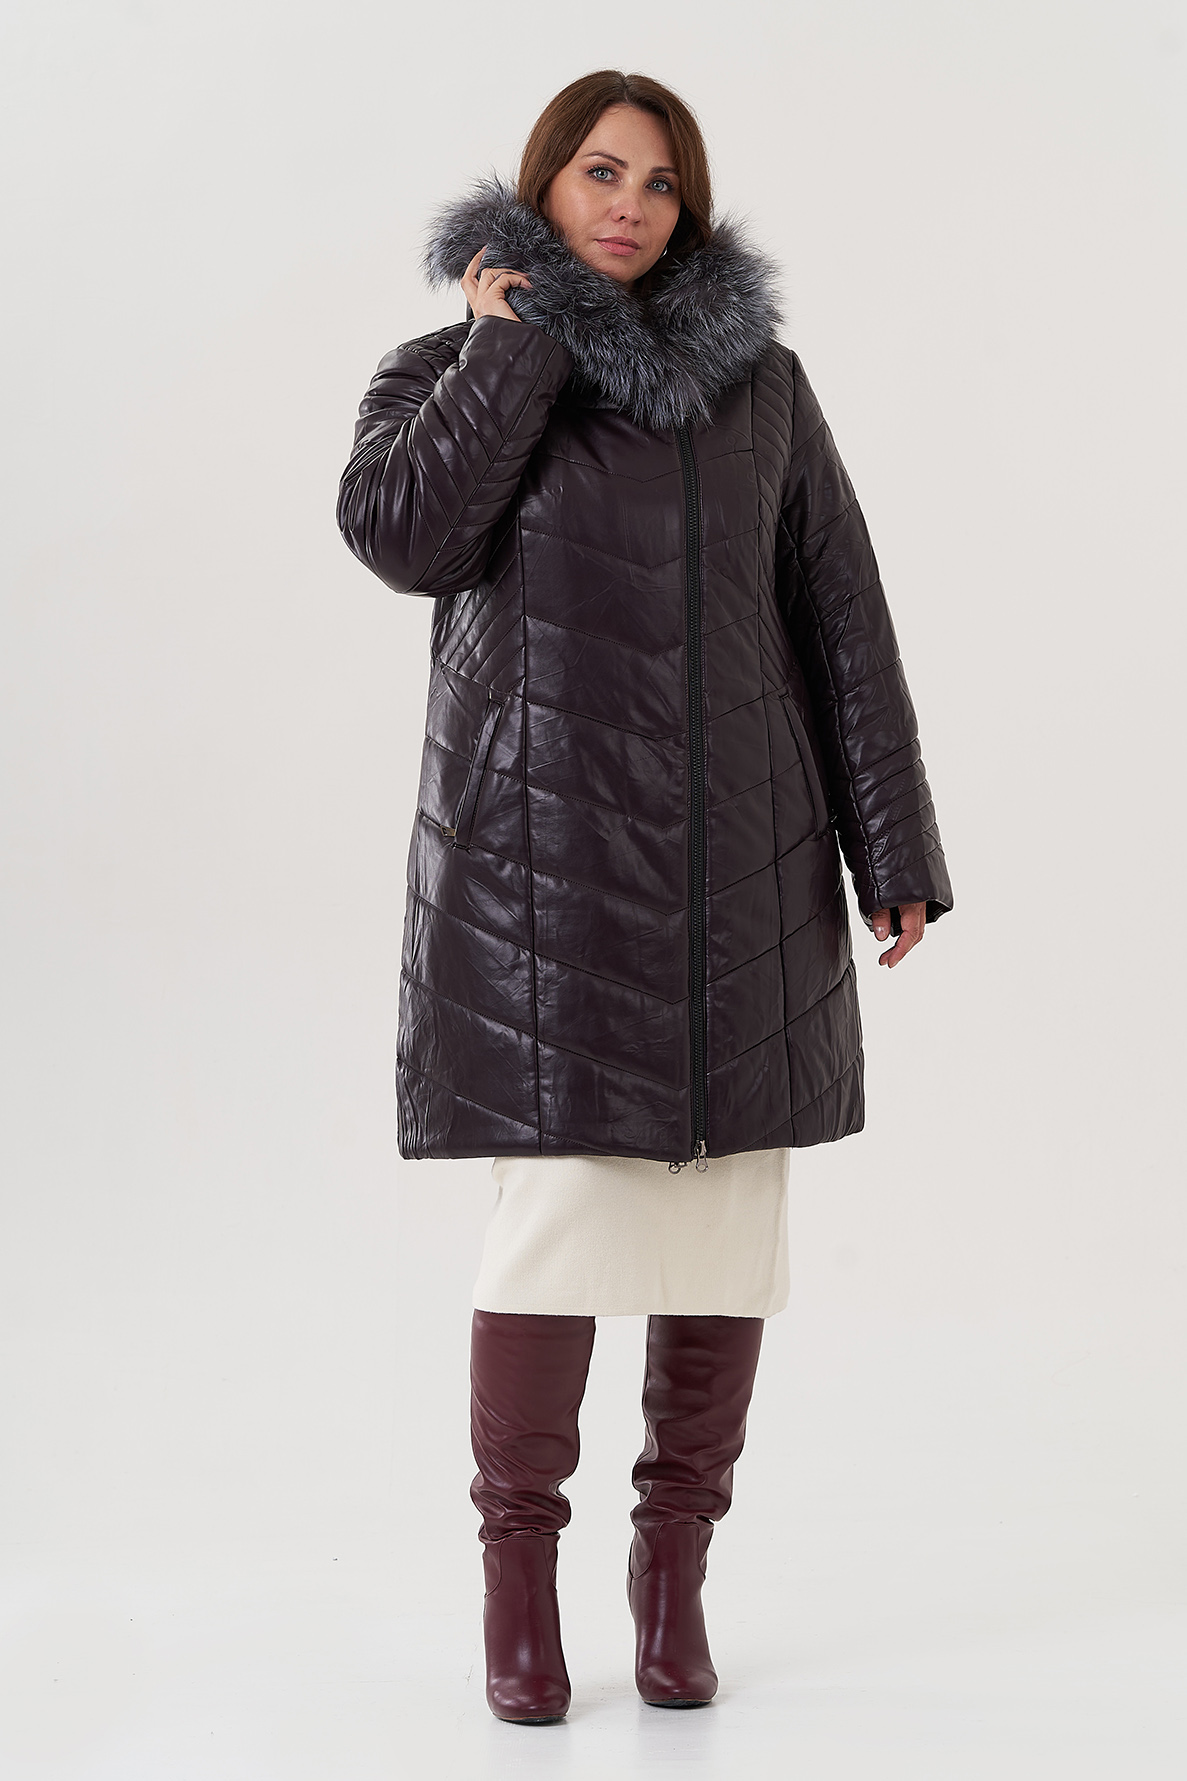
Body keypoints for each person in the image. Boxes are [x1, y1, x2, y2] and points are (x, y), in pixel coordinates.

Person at [337, 69, 953, 1725]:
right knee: (556, 1237)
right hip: (544, 887)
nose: (629, 205)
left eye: (660, 183)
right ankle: (519, 1585)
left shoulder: (763, 390)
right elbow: (402, 536)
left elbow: (841, 616)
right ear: (542, 186)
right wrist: (514, 347)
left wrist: (893, 848)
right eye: (600, 173)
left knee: (722, 1243)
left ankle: (673, 1574)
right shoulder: (449, 371)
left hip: (742, 872)